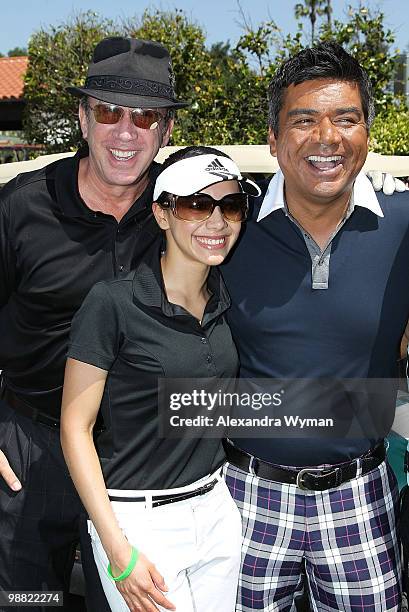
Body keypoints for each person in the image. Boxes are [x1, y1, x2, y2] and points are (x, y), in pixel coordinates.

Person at [0, 36, 187, 610]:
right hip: (31, 452)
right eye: (108, 112)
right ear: (83, 118)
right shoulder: (21, 207)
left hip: (138, 459)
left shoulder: (185, 211)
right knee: (31, 602)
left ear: (165, 133)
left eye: (145, 117)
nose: (125, 132)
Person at [222, 42, 409, 611]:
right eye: (303, 120)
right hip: (243, 496)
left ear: (367, 137)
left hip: (362, 496)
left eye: (345, 119)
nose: (326, 137)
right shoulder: (222, 225)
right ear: (274, 143)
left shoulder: (403, 222)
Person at [60, 146, 261, 612]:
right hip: (138, 521)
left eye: (230, 205)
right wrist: (117, 550)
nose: (216, 221)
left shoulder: (227, 299)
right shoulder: (112, 303)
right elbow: (75, 428)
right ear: (162, 214)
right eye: (196, 204)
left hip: (216, 508)